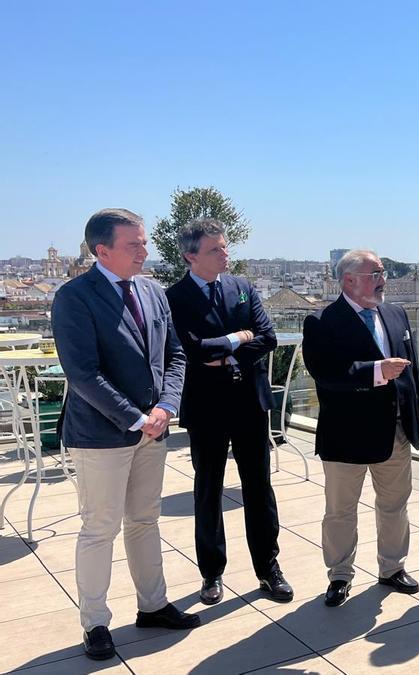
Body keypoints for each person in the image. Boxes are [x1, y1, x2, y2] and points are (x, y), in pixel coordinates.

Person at [52, 208, 200, 661]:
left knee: (144, 520)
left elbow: (175, 354)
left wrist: (166, 406)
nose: (145, 251)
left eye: (144, 242)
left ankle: (153, 606)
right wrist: (137, 418)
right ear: (103, 250)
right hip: (101, 435)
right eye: (133, 244)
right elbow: (82, 373)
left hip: (152, 430)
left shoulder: (154, 292)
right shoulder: (74, 297)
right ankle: (95, 623)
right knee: (100, 528)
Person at [165, 218, 291, 606]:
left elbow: (268, 337)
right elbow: (194, 349)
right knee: (208, 489)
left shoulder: (242, 287)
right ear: (190, 256)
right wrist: (240, 337)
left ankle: (269, 568)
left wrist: (226, 354)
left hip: (250, 403)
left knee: (259, 487)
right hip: (206, 407)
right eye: (215, 249)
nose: (225, 254)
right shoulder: (175, 298)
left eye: (225, 246)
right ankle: (211, 573)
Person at [302, 249, 419, 606]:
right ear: (349, 280)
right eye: (375, 273)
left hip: (396, 432)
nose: (383, 279)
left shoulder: (395, 312)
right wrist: (377, 372)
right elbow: (326, 374)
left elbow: (412, 368)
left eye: (383, 272)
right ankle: (340, 575)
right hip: (347, 436)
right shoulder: (323, 321)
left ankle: (392, 568)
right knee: (341, 511)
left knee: (395, 505)